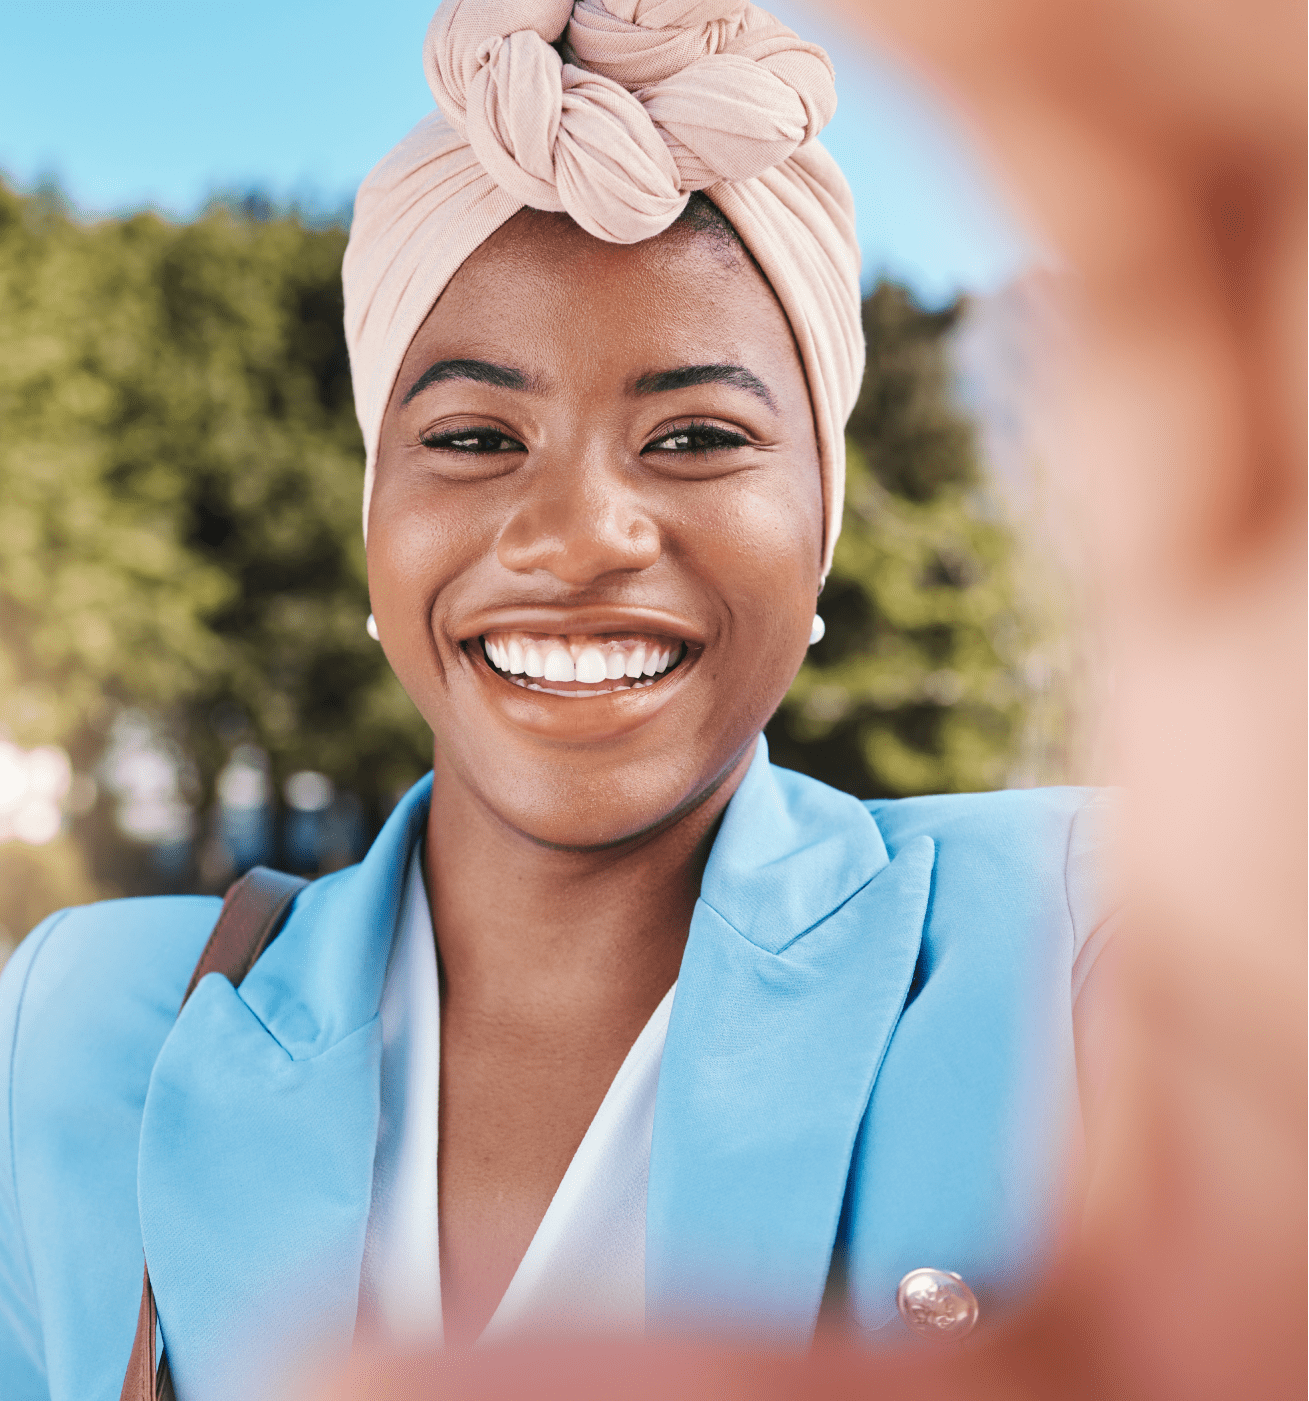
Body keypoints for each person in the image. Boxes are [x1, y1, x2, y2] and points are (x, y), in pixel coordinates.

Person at [0, 4, 1113, 1399]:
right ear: (372, 522)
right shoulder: (82, 1027)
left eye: (697, 437)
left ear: (820, 526)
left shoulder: (1078, 942)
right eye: (472, 438)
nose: (579, 534)